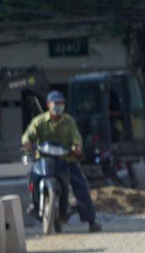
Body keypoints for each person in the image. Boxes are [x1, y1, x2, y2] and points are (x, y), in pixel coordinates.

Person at [21, 90, 100, 233]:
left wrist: (77, 147)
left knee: (81, 185)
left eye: (61, 103)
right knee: (31, 177)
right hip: (44, 159)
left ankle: (91, 221)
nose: (58, 106)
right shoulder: (39, 121)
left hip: (66, 160)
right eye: (56, 103)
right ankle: (34, 203)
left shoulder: (69, 122)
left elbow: (76, 138)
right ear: (48, 105)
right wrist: (27, 143)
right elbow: (28, 135)